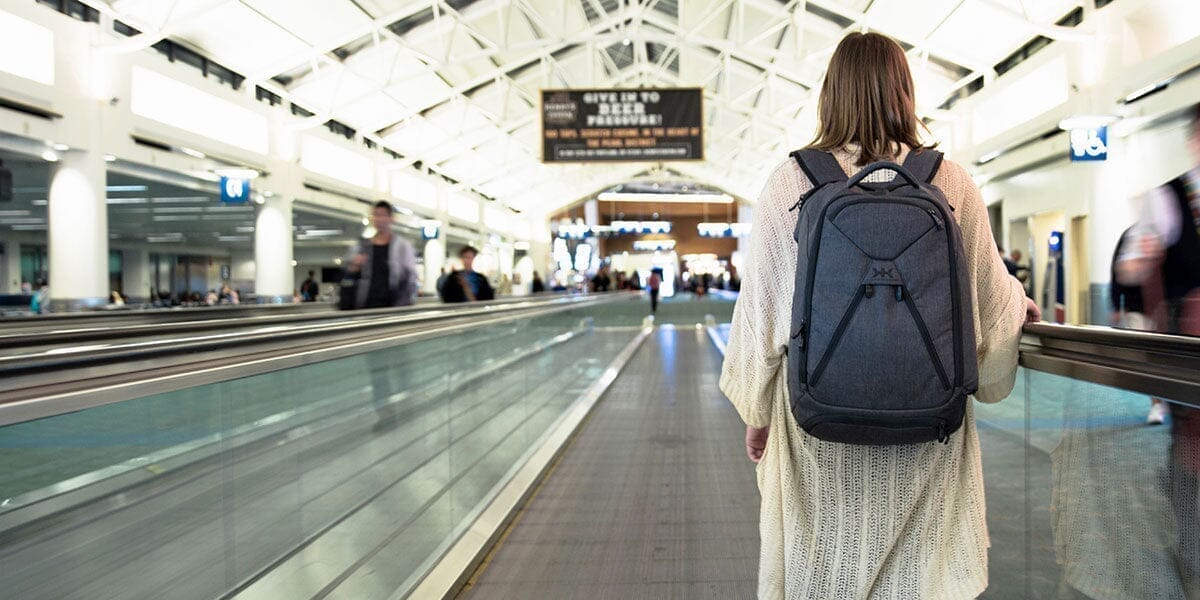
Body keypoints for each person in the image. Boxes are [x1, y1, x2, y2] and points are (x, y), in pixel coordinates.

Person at [719, 32, 1038, 599]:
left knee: (825, 572)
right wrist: (1020, 305)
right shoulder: (949, 181)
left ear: (830, 94)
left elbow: (760, 321)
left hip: (819, 434)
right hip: (928, 434)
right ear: (905, 92)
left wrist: (757, 412)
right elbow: (992, 312)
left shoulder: (789, 183)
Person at [1115, 103, 1200, 594]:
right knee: (1189, 452)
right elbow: (1128, 268)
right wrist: (1142, 259)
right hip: (1187, 352)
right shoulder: (1168, 200)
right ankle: (1192, 551)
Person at [344, 201, 419, 309]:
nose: (379, 219)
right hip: (365, 306)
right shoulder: (362, 246)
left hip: (393, 308)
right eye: (376, 215)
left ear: (391, 218)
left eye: (383, 215)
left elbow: (410, 278)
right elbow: (348, 273)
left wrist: (402, 304)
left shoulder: (402, 246)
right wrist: (354, 267)